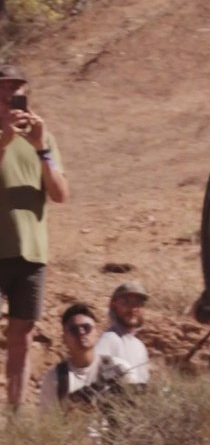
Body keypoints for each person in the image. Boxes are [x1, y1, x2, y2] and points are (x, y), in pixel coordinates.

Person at [0, 60, 69, 408]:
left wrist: (41, 148)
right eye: (4, 87)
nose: (10, 93)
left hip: (31, 254)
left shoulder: (43, 139)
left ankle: (15, 416)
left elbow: (60, 194)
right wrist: (4, 139)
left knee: (22, 337)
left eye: (16, 87)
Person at [39, 302, 134, 410]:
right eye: (74, 330)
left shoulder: (120, 368)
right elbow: (47, 418)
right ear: (64, 338)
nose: (81, 332)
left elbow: (133, 412)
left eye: (86, 327)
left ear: (97, 333)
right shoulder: (54, 378)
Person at [96, 280, 151, 385]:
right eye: (126, 303)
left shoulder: (140, 346)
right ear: (114, 305)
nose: (133, 309)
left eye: (138, 303)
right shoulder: (109, 339)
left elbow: (143, 386)